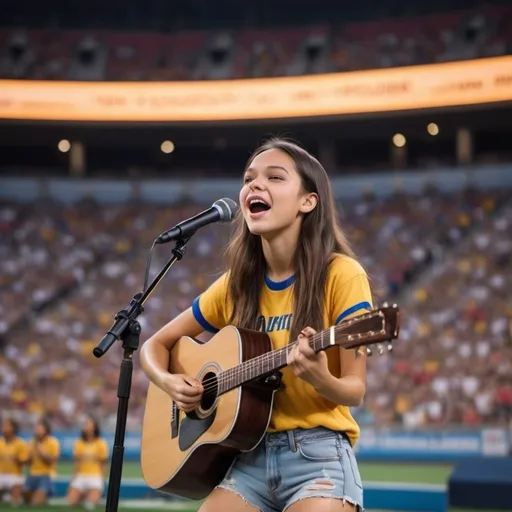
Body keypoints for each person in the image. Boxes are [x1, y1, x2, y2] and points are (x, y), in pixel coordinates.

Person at [141, 138, 372, 512]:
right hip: (245, 459)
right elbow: (155, 345)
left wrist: (319, 378)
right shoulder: (236, 284)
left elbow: (354, 390)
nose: (254, 185)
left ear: (308, 202)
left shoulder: (342, 275)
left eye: (275, 177)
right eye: (249, 178)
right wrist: (170, 382)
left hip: (318, 458)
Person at [67, 416, 108, 510]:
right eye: (85, 424)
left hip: (95, 475)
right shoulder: (79, 443)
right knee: (71, 502)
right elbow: (77, 463)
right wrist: (73, 479)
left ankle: (94, 494)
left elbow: (103, 464)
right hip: (81, 475)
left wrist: (101, 480)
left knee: (89, 505)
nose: (85, 426)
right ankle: (84, 494)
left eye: (88, 423)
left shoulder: (100, 443)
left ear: (94, 427)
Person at [24, 418, 60, 506]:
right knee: (26, 498)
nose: (36, 430)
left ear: (46, 429)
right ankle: (42, 497)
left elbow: (51, 462)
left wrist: (41, 451)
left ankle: (45, 494)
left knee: (35, 503)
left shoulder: (53, 442)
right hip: (33, 474)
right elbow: (28, 462)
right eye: (36, 428)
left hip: (46, 475)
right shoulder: (31, 442)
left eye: (39, 428)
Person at [0, 418, 29, 506]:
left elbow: (25, 462)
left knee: (16, 489)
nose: (3, 428)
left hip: (15, 475)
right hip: (1, 474)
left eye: (6, 426)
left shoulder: (20, 443)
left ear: (13, 428)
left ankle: (16, 497)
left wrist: (17, 459)